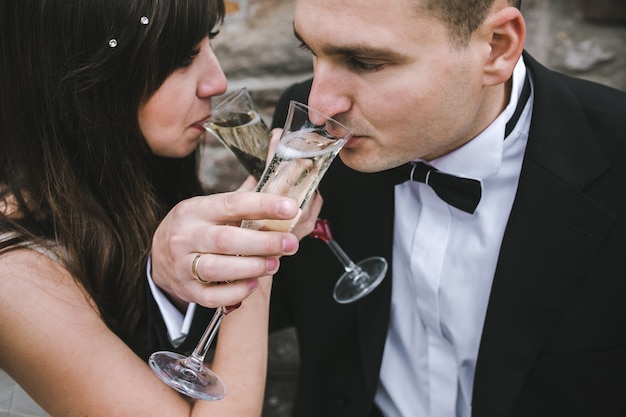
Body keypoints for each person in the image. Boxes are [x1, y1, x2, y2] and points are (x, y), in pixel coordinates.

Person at [150, 0, 626, 416]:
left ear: (497, 47)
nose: (319, 107)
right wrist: (182, 279)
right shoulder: (313, 134)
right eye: (311, 52)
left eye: (364, 61)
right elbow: (262, 308)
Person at [0, 0, 320, 416]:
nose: (217, 81)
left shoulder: (130, 193)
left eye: (211, 43)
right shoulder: (16, 274)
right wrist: (257, 247)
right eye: (184, 57)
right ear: (90, 81)